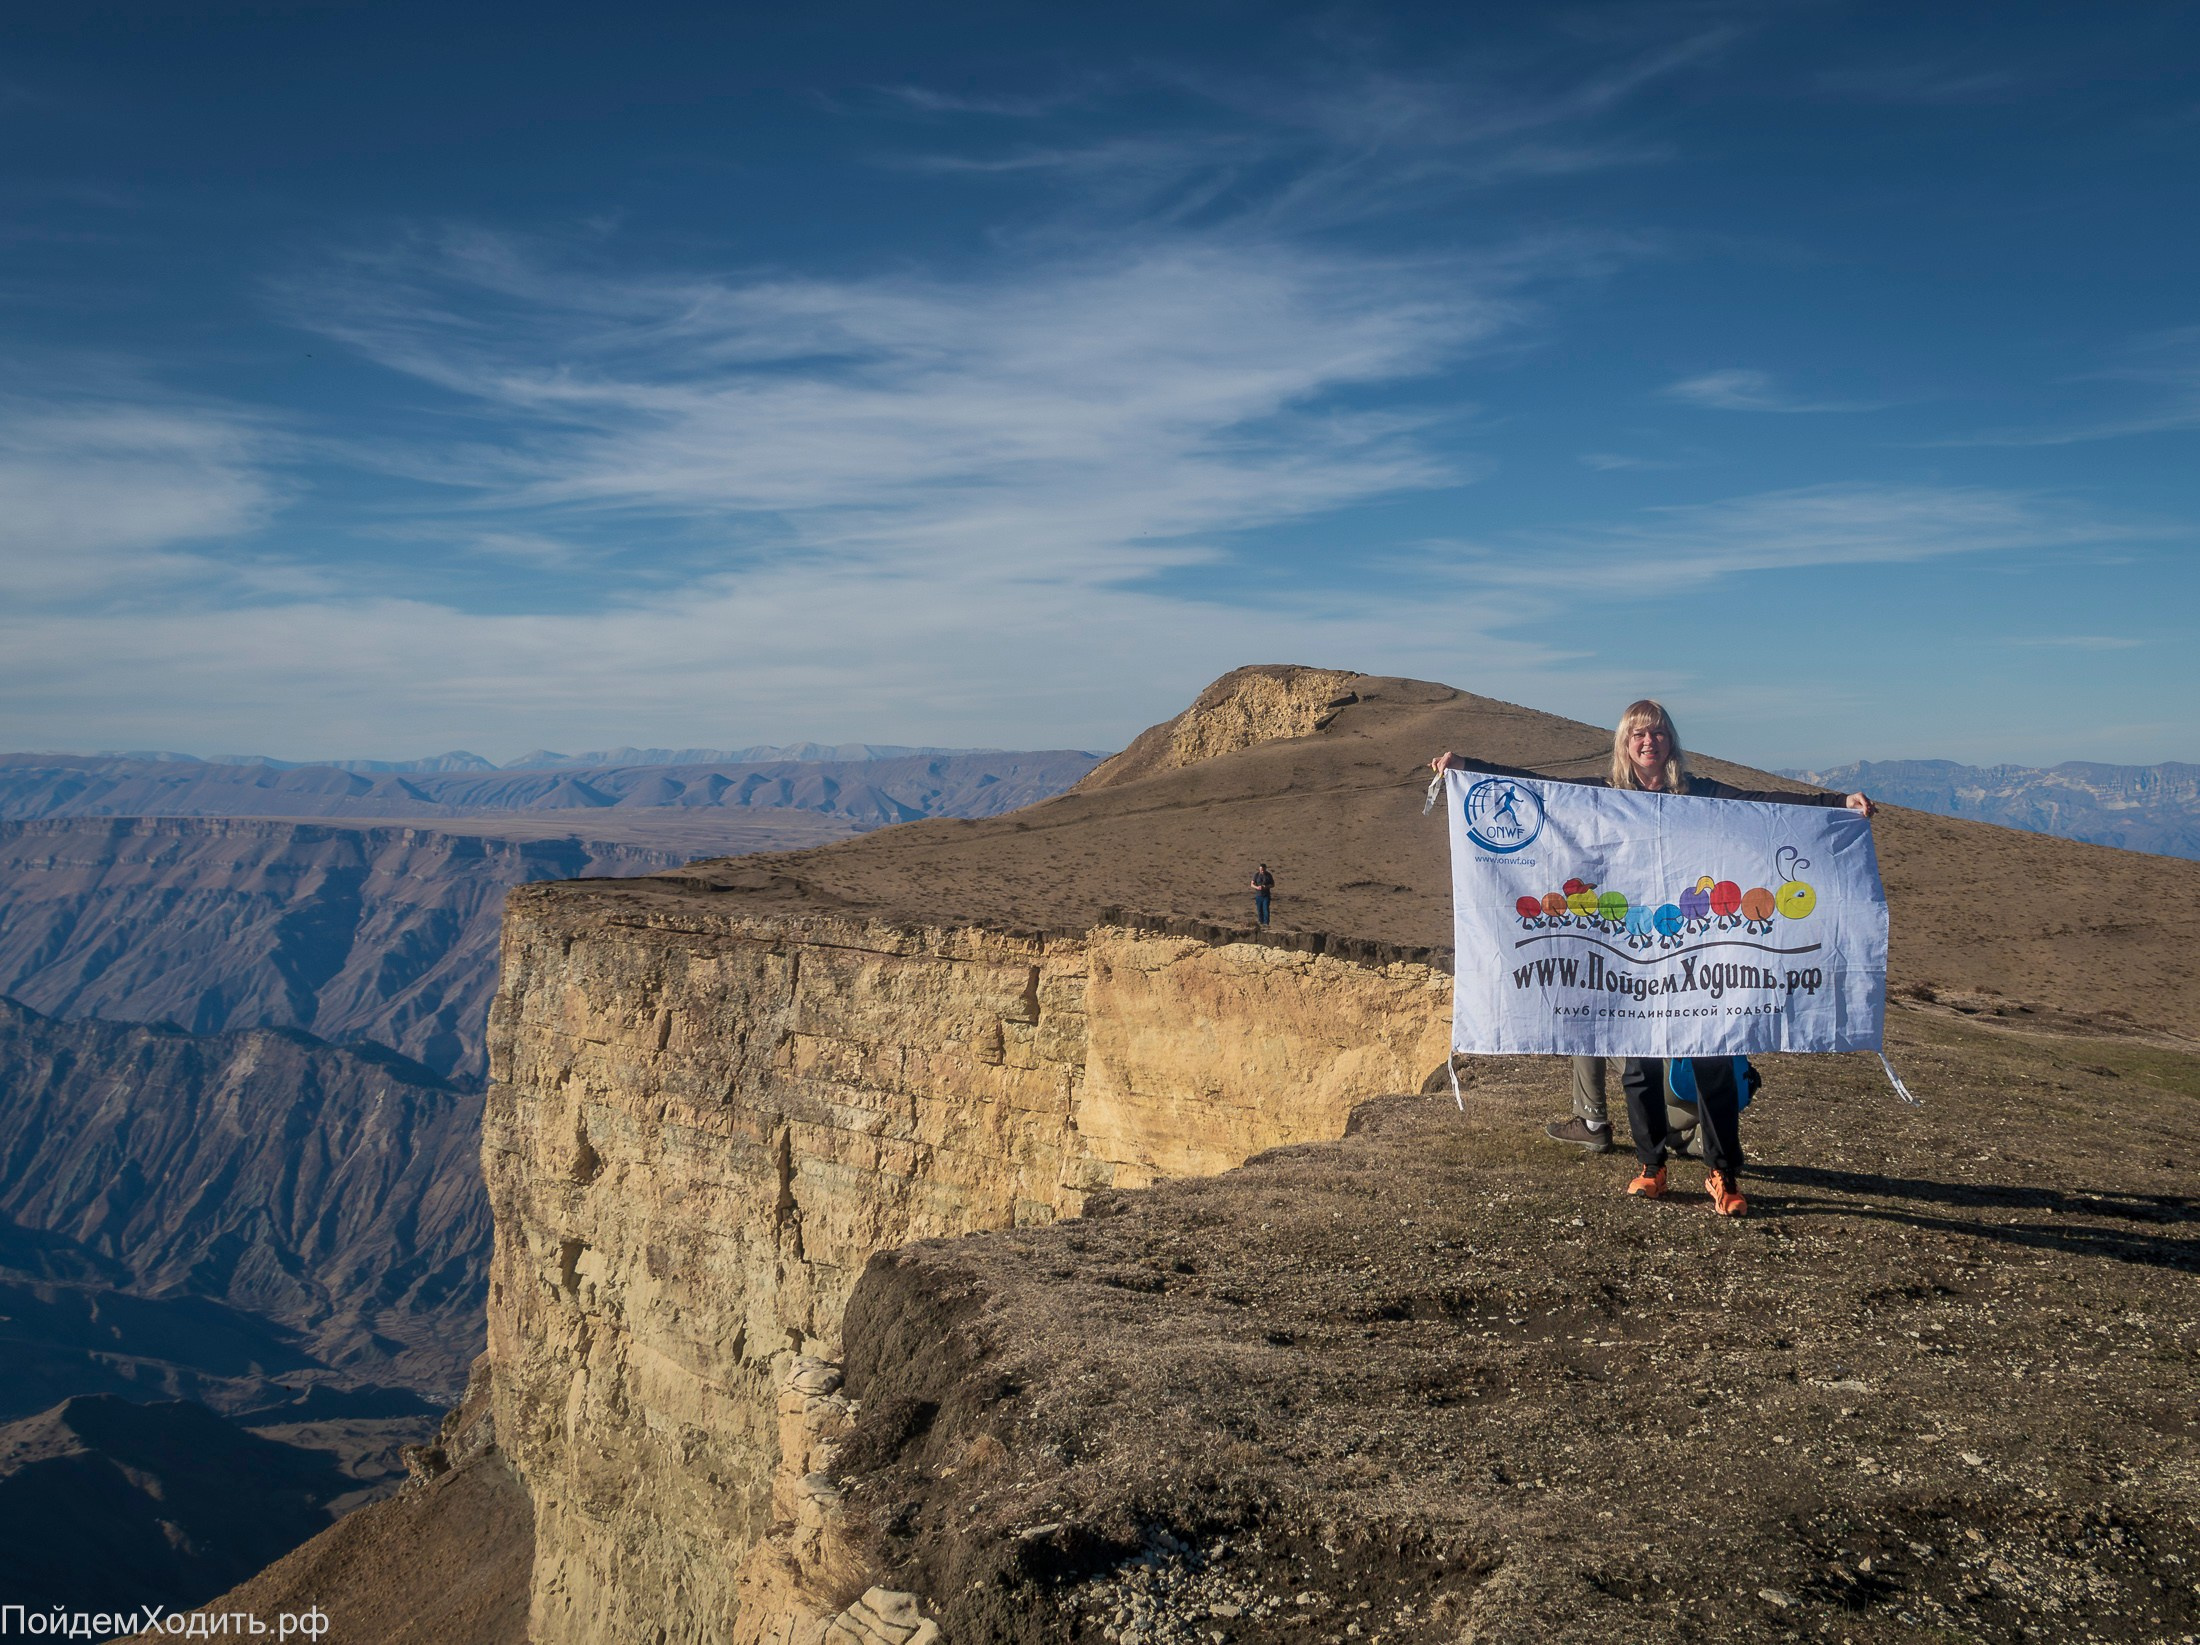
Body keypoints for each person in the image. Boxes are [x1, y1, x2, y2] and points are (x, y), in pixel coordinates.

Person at [1430, 699, 1875, 1217]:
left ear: (1670, 742)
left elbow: (1764, 805)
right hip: (1631, 956)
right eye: (1638, 735)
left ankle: (1723, 1173)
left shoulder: (1701, 794)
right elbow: (1535, 791)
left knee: (1711, 1062)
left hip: (1696, 957)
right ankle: (1651, 1165)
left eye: (1658, 733)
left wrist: (1835, 803)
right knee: (1639, 1067)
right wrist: (1469, 771)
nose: (1649, 742)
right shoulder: (1605, 797)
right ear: (1624, 744)